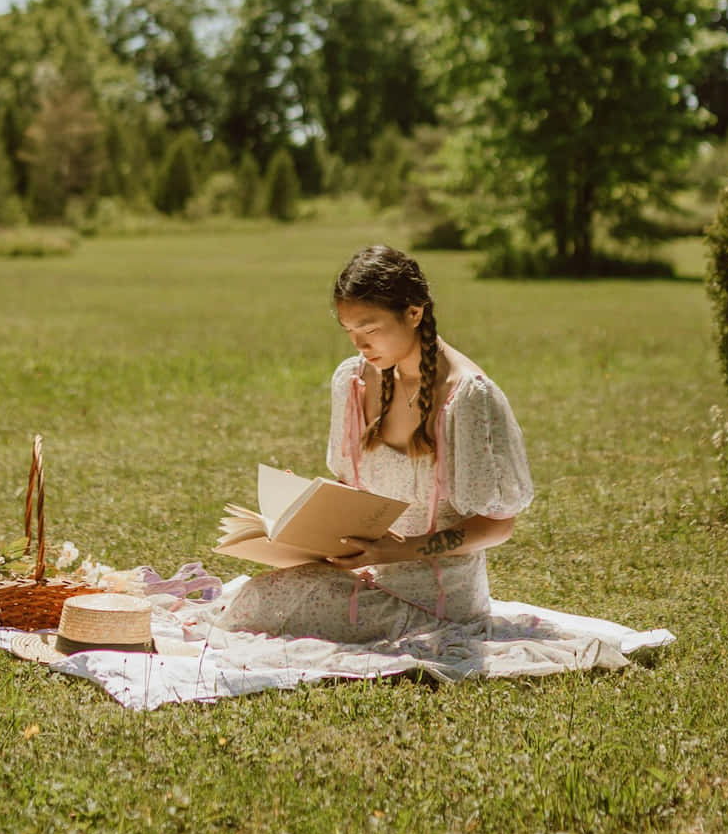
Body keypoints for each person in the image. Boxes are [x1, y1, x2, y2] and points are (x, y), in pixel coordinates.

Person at [212, 243, 533, 642]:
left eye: (370, 329)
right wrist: (304, 507)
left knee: (266, 605)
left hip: (439, 600)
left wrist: (399, 551)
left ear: (414, 313)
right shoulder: (354, 380)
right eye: (350, 332)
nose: (359, 345)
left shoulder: (467, 397)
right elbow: (355, 494)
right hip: (362, 573)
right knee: (262, 594)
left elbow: (498, 526)